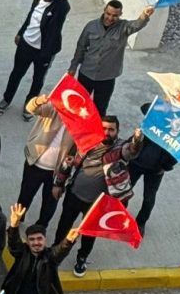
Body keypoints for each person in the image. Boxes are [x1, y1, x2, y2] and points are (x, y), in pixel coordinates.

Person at [52, 117, 142, 276]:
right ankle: (55, 253)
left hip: (96, 204)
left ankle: (82, 258)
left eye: (111, 129)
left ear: (117, 132)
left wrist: (137, 140)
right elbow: (70, 160)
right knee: (63, 227)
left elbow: (131, 151)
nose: (107, 132)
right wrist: (59, 183)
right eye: (104, 128)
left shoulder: (119, 149)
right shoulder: (87, 141)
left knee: (89, 233)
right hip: (74, 195)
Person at [0, 203, 77, 294]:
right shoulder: (22, 252)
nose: (36, 243)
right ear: (27, 242)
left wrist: (68, 241)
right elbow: (14, 244)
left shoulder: (50, 257)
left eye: (39, 239)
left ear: (45, 240)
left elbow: (60, 251)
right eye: (32, 240)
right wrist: (14, 226)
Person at [67, 1, 155, 115]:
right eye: (108, 14)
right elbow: (81, 47)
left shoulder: (124, 27)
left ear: (120, 15)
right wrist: (73, 67)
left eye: (115, 16)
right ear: (104, 10)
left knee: (100, 109)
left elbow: (136, 25)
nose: (110, 18)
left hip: (106, 78)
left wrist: (145, 15)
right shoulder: (91, 26)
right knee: (78, 106)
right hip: (86, 73)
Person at [0, 0, 71, 118]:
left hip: (44, 50)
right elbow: (30, 16)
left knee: (38, 79)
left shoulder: (59, 6)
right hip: (26, 44)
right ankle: (6, 99)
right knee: (16, 74)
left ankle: (30, 105)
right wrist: (21, 32)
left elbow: (66, 6)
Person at [17, 95, 74, 227]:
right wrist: (37, 101)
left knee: (50, 202)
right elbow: (31, 108)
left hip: (57, 172)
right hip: (34, 164)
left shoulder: (80, 123)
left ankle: (41, 227)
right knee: (25, 196)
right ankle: (17, 220)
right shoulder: (53, 108)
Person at [127, 102, 177, 236]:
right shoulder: (159, 113)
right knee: (124, 189)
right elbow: (144, 107)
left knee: (149, 198)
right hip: (136, 162)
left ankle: (140, 223)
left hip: (156, 170)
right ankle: (119, 214)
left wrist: (166, 166)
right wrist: (165, 106)